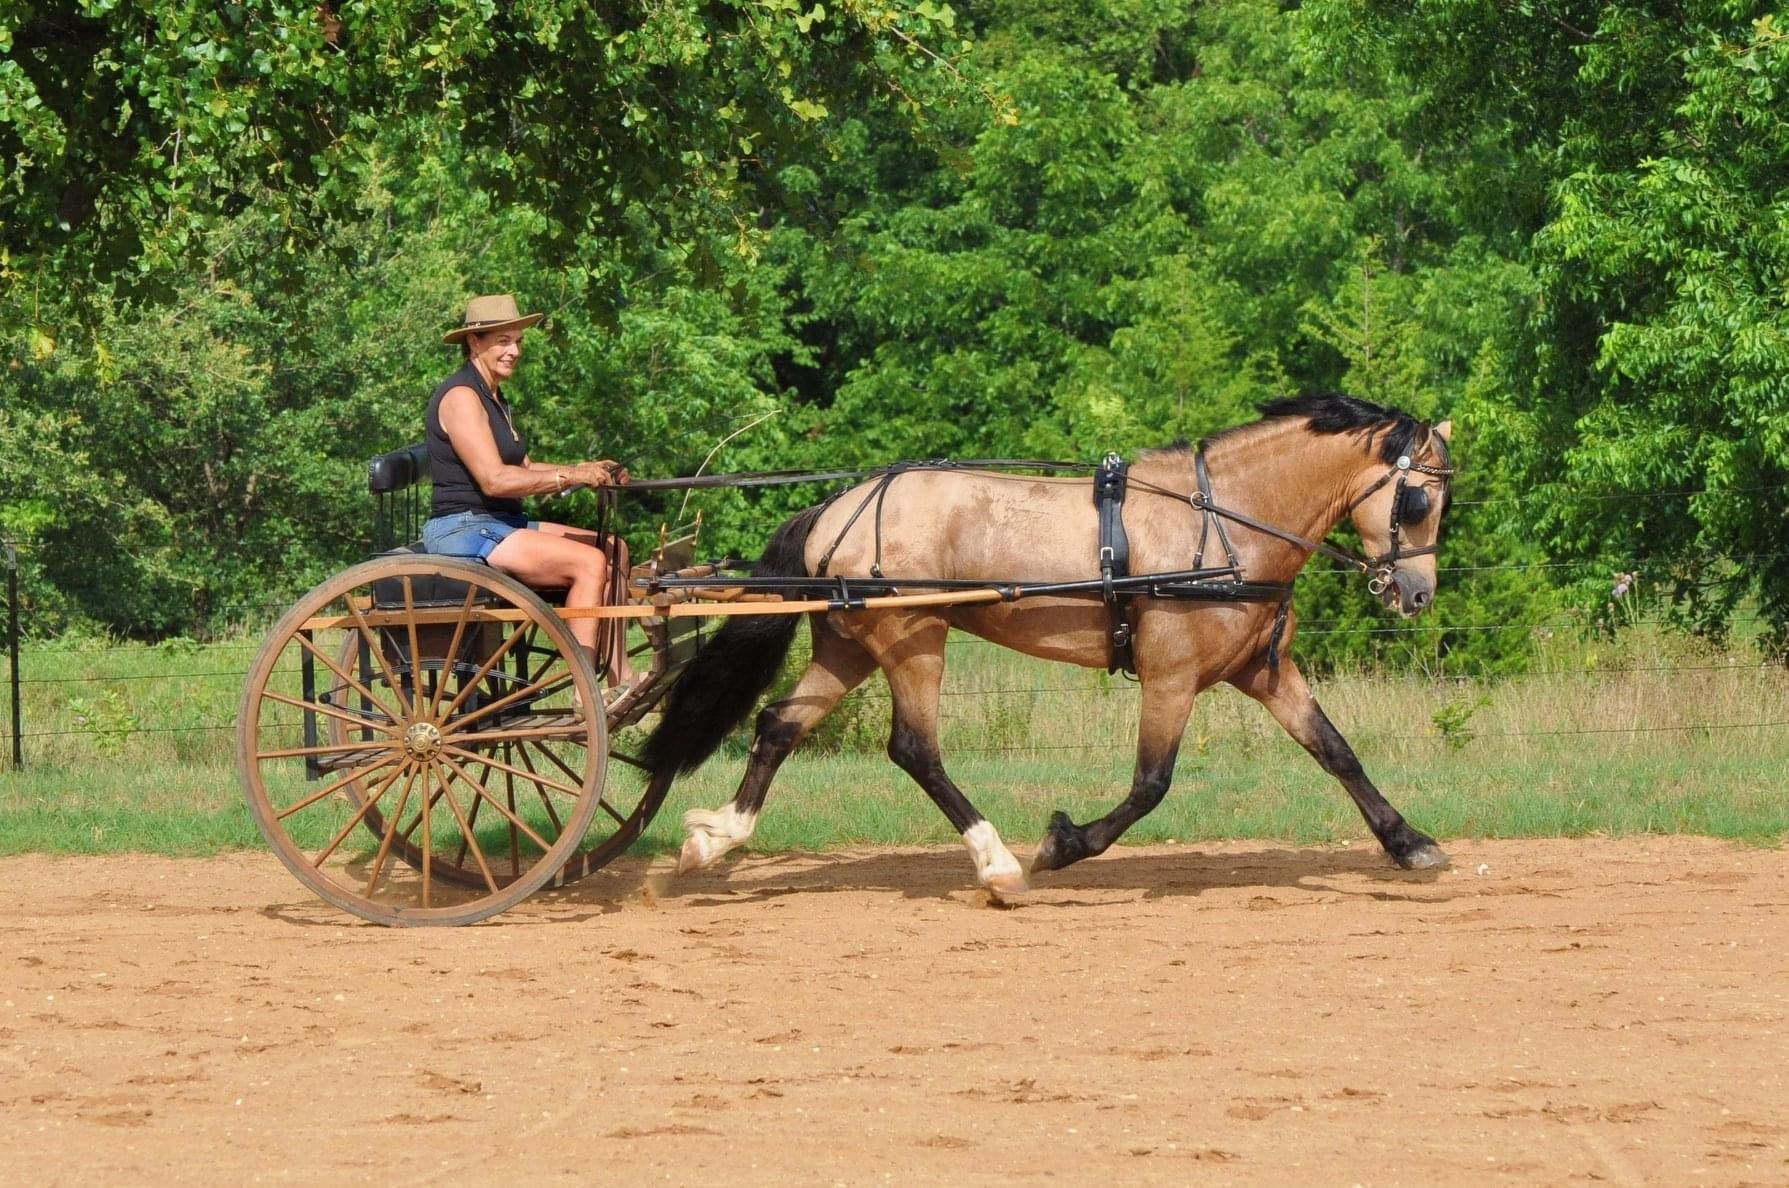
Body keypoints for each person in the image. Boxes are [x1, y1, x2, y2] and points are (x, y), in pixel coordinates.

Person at [420, 294, 639, 696]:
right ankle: (585, 690)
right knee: (590, 562)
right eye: (503, 341)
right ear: (474, 342)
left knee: (614, 549)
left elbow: (522, 469)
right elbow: (495, 481)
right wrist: (571, 475)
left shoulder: (494, 397)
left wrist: (589, 471)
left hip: (500, 523)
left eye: (518, 341)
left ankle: (620, 673)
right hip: (464, 529)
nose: (515, 351)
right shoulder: (461, 398)